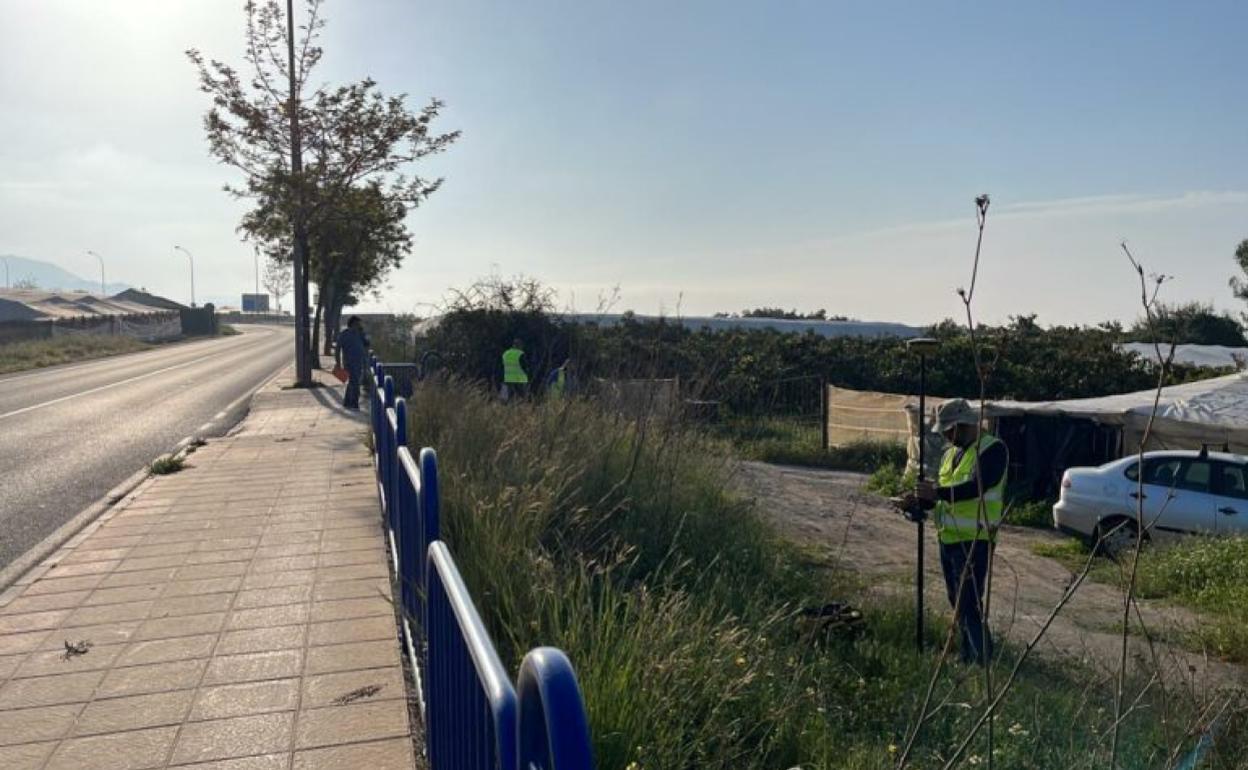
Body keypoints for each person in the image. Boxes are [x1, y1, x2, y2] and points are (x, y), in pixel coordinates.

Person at [903, 398, 1008, 665]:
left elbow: (976, 488)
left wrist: (937, 492)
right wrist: (920, 501)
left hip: (975, 540)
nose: (947, 437)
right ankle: (967, 654)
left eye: (950, 431)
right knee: (956, 601)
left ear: (963, 425)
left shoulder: (993, 450)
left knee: (969, 603)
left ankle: (982, 661)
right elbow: (944, 496)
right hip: (948, 538)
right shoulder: (951, 454)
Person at [335, 316, 369, 410]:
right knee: (355, 383)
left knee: (352, 383)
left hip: (359, 362)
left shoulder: (360, 334)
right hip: (349, 362)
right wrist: (338, 363)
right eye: (358, 324)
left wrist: (363, 333)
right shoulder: (344, 334)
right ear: (353, 324)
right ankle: (354, 403)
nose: (359, 326)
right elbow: (338, 349)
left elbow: (367, 344)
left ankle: (347, 402)